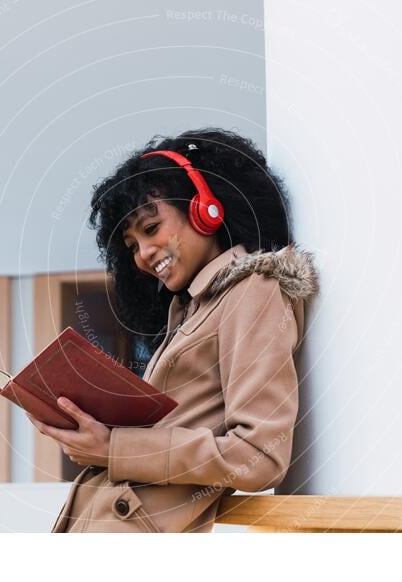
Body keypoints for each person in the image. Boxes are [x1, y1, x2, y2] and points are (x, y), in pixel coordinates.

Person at [30, 127, 320, 532]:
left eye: (151, 229)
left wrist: (114, 447)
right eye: (131, 246)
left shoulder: (255, 290)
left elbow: (259, 456)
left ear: (206, 208)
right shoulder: (190, 310)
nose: (143, 254)